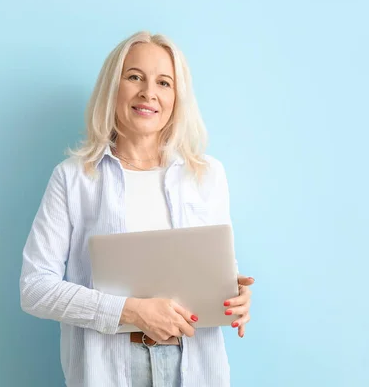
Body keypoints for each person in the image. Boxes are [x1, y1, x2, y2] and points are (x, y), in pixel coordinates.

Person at [19, 30, 254, 387]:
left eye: (164, 82)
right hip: (110, 367)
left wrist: (237, 297)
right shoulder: (73, 179)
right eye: (134, 77)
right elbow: (35, 288)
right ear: (113, 87)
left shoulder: (207, 175)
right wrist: (131, 311)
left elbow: (222, 274)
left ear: (177, 97)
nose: (149, 93)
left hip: (195, 366)